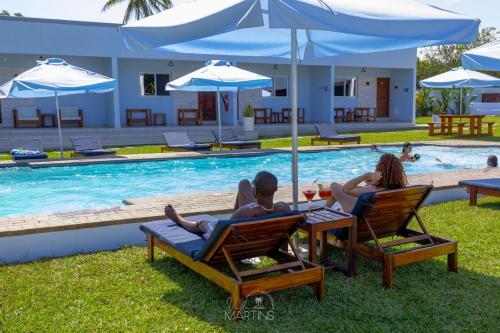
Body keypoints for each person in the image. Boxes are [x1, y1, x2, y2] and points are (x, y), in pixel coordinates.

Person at [164, 171, 290, 240]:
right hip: (263, 242)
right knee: (243, 184)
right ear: (275, 190)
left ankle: (178, 219)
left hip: (231, 242)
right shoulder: (283, 209)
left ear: (255, 191)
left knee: (202, 224)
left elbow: (229, 226)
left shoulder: (248, 212)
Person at [326, 153, 407, 213]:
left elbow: (346, 189)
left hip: (359, 219)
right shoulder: (399, 189)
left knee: (334, 186)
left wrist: (365, 175)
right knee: (337, 193)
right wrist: (371, 183)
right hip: (381, 221)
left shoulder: (375, 190)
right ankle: (325, 209)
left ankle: (324, 210)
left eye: (378, 165)